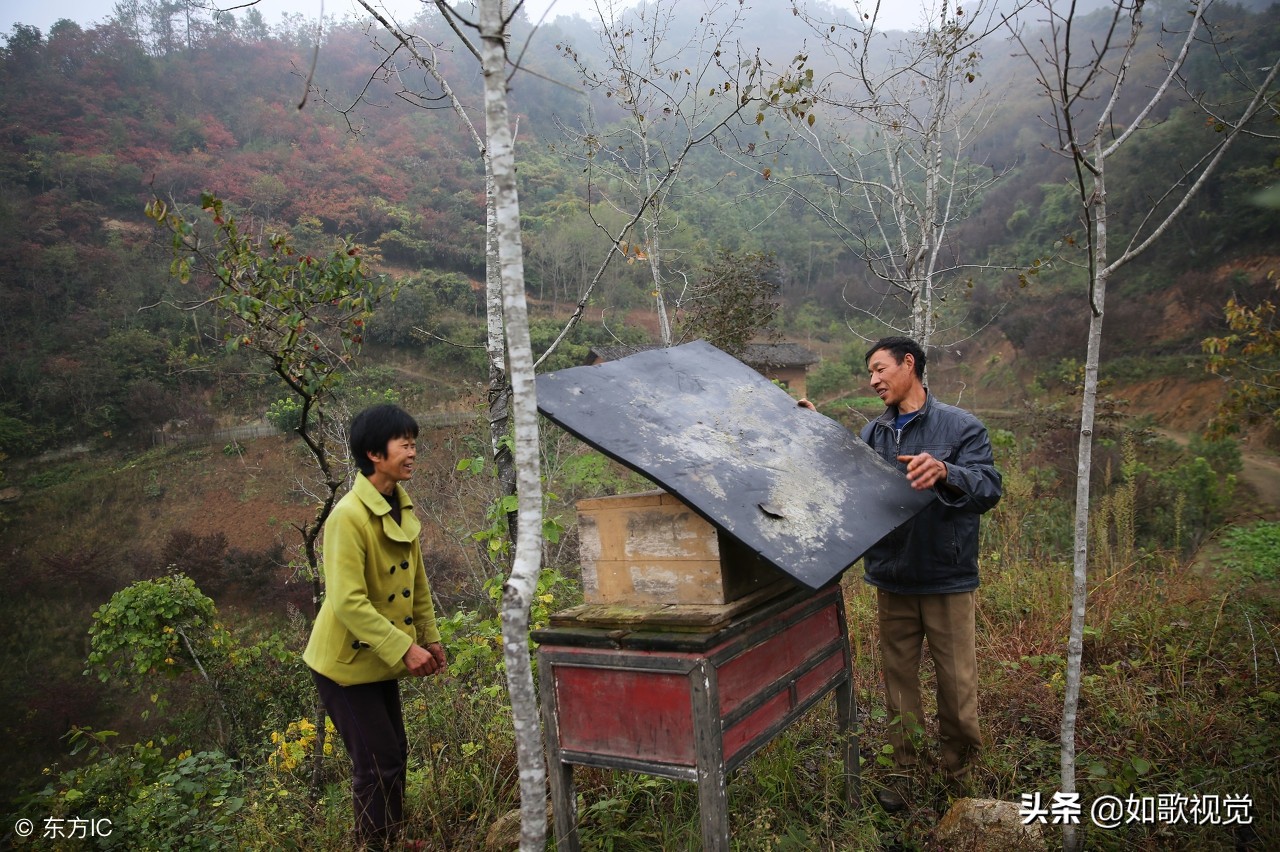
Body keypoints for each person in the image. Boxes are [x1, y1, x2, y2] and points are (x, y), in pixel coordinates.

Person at [801, 336, 1001, 812]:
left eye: (879, 369)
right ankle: (903, 772)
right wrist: (815, 431)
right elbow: (848, 475)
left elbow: (989, 487)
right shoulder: (874, 433)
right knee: (898, 686)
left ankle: (961, 773)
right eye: (869, 373)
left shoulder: (960, 427)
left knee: (956, 683)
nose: (873, 381)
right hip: (891, 578)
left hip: (945, 578)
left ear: (909, 364)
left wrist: (948, 471)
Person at [304, 403, 447, 849]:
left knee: (394, 756)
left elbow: (416, 585)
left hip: (378, 657)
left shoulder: (400, 508)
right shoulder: (348, 516)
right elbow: (346, 601)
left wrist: (430, 638)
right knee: (374, 762)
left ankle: (390, 838)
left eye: (413, 441)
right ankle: (373, 844)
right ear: (373, 454)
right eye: (403, 442)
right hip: (345, 663)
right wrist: (404, 647)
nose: (412, 450)